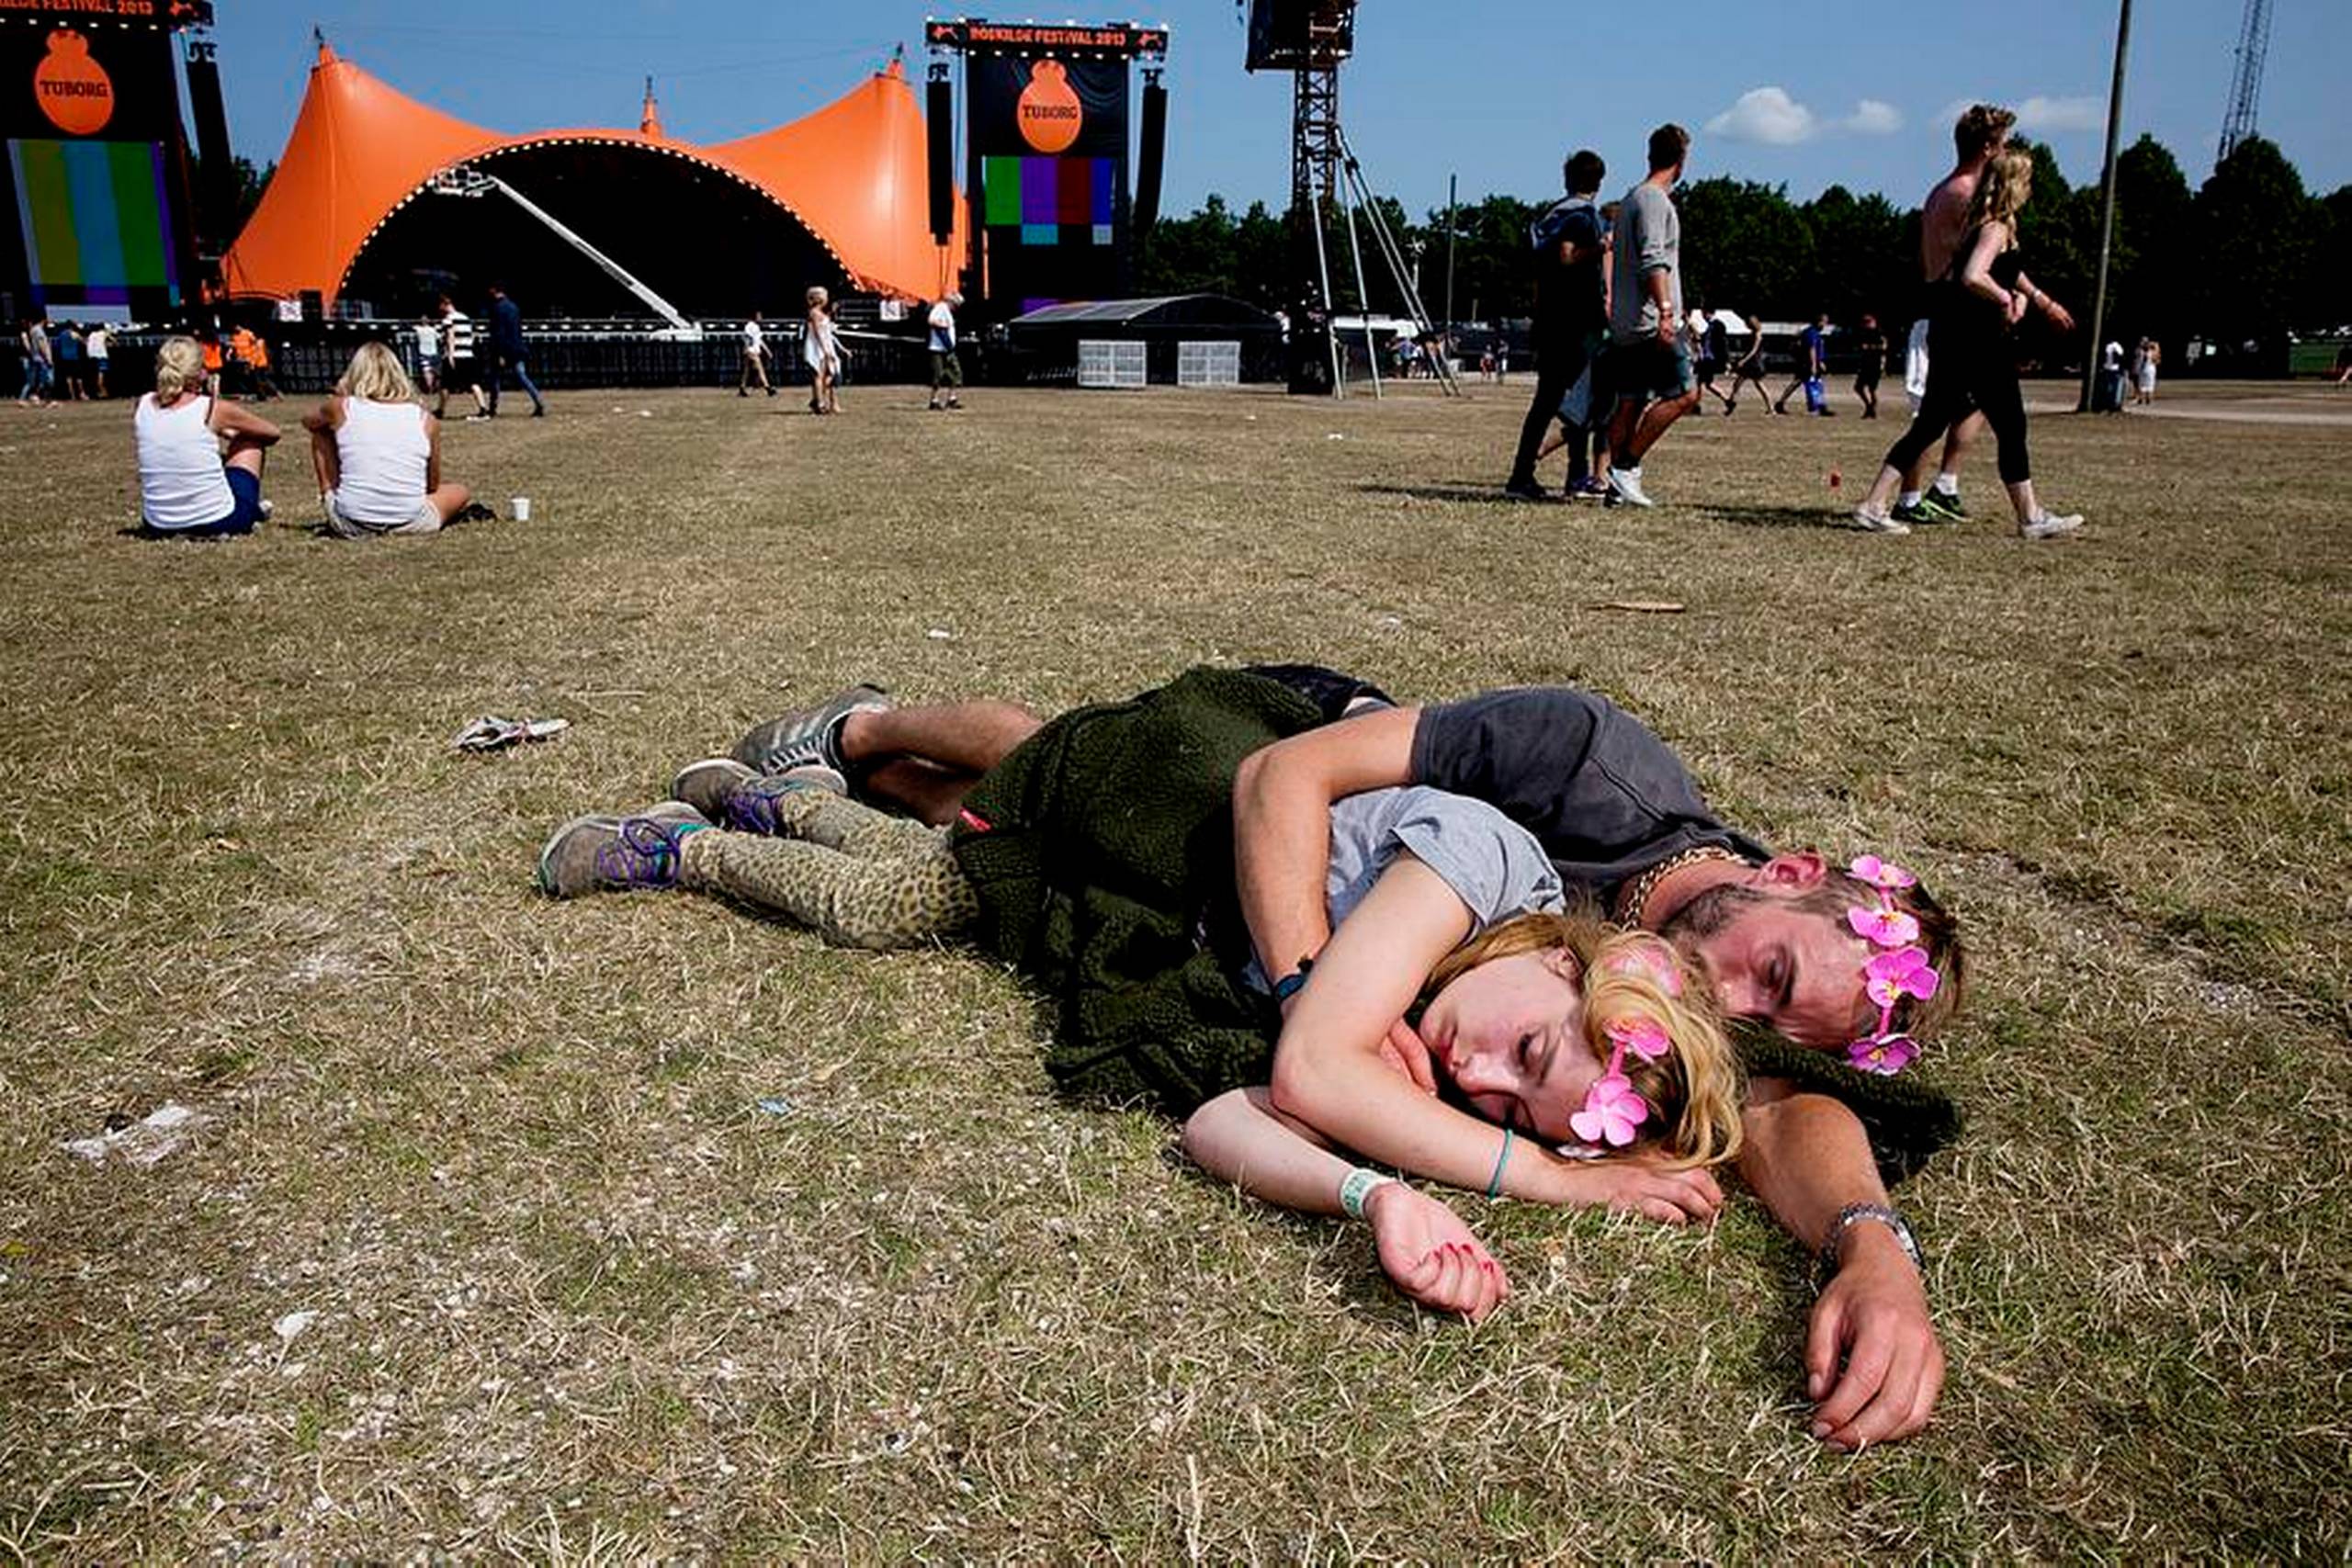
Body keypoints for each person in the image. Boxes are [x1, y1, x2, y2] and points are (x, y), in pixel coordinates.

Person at [725, 669, 1963, 1449]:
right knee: (1088, 766)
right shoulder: (1583, 765)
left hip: (1354, 914)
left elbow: (1779, 1114)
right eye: (1774, 969)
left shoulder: (1672, 1023)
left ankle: (890, 786)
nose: (1733, 999)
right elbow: (1284, 777)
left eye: (1774, 1020)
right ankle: (864, 722)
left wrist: (1872, 1248)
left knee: (994, 839)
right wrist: (1327, 997)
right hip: (1298, 768)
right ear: (1791, 875)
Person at [538, 667, 1750, 1325]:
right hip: (1153, 807)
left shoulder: (1451, 1057)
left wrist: (1373, 1191)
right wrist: (1542, 1171)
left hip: (1155, 917)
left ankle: (763, 806)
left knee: (934, 882)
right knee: (900, 899)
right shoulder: (1482, 866)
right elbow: (1308, 1070)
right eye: (1529, 1050)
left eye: (1523, 1110)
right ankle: (690, 838)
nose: (1487, 1082)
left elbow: (1222, 1118)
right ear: (1558, 962)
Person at [1852, 149, 2084, 541]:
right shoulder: (1994, 228)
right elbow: (1974, 277)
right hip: (1977, 343)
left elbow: (1993, 274)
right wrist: (2005, 298)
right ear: (2013, 184)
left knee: (1931, 424)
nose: (2030, 189)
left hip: (1956, 336)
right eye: (2027, 181)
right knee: (2010, 424)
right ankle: (2030, 517)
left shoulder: (1989, 224)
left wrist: (2025, 297)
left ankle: (1873, 505)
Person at [1893, 105, 2040, 526]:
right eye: (2005, 143)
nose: (2008, 150)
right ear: (1990, 146)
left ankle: (1943, 488)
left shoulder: (1951, 190)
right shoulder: (1967, 195)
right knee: (1931, 418)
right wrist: (2017, 296)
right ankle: (1905, 498)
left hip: (1956, 315)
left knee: (1967, 409)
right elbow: (1978, 268)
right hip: (1949, 315)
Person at [1601, 125, 1702, 508]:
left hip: (1626, 323)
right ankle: (1626, 467)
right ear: (1681, 161)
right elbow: (1653, 260)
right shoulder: (1654, 201)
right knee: (1684, 394)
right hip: (1649, 322)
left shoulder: (1630, 200)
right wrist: (1665, 312)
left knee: (1629, 401)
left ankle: (1617, 488)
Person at [1504, 150, 1611, 502]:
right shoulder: (1582, 218)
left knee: (1549, 401)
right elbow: (1568, 257)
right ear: (1598, 181)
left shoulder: (1549, 216)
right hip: (1578, 321)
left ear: (1567, 179)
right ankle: (1574, 475)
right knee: (1581, 400)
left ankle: (1526, 474)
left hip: (1550, 319)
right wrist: (1601, 249)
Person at [302, 341, 472, 537]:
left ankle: (330, 493)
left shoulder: (340, 407)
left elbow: (308, 421)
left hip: (350, 521)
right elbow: (432, 485)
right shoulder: (426, 419)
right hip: (412, 521)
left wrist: (339, 396)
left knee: (320, 431)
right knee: (460, 491)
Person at [131, 335, 280, 539]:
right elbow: (272, 433)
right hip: (217, 520)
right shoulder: (211, 408)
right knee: (250, 441)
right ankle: (250, 511)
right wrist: (231, 433)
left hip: (158, 523)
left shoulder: (143, 403)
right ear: (199, 372)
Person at [483, 285, 544, 418]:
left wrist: (500, 353)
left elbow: (499, 332)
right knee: (522, 377)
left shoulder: (496, 308)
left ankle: (493, 408)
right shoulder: (514, 307)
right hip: (517, 346)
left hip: (502, 348)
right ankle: (538, 401)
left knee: (495, 379)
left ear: (495, 291)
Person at [434, 295, 489, 423]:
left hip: (456, 355)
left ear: (444, 305)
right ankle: (483, 409)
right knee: (474, 383)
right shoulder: (466, 318)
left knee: (445, 385)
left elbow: (450, 336)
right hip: (468, 354)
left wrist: (450, 355)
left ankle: (440, 410)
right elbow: (473, 335)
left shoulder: (448, 319)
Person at [1774, 312, 1835, 416]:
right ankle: (1815, 406)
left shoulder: (1811, 332)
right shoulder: (1811, 333)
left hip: (1807, 363)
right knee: (1811, 384)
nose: (1825, 325)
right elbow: (1811, 350)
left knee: (1800, 383)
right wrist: (1814, 365)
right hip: (1807, 364)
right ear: (1819, 322)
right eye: (1824, 322)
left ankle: (1781, 403)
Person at [1717, 312, 1770, 412]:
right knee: (1737, 384)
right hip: (1749, 363)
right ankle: (1730, 404)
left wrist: (1743, 360)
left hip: (1754, 364)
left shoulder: (1758, 335)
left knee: (1759, 385)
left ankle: (1770, 408)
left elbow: (1753, 351)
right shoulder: (1752, 334)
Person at [804, 286, 843, 414]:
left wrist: (831, 312)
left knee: (829, 374)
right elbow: (817, 332)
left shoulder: (821, 313)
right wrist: (824, 349)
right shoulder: (814, 312)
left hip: (825, 345)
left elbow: (825, 327)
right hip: (817, 346)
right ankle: (820, 403)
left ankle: (817, 399)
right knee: (819, 375)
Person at [926, 292, 964, 411]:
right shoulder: (940, 308)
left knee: (956, 373)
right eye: (956, 305)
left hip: (948, 349)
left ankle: (952, 398)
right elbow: (931, 321)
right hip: (938, 348)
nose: (957, 308)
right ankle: (934, 400)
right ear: (951, 302)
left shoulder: (948, 311)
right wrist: (944, 325)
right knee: (938, 375)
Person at [1851, 314, 1886, 418]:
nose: (1866, 324)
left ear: (1873, 322)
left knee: (1872, 389)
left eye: (1868, 322)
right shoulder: (1863, 333)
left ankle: (1871, 409)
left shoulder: (1879, 333)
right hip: (1865, 365)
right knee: (1858, 388)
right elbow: (1859, 347)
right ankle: (1869, 406)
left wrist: (1883, 366)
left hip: (1875, 365)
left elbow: (1884, 348)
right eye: (1864, 322)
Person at [17, 318, 53, 406]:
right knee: (33, 381)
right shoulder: (27, 333)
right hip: (32, 359)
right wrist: (46, 357)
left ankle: (34, 397)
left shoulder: (31, 332)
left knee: (35, 381)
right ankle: (24, 399)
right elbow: (29, 347)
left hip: (33, 358)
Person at [738, 311, 775, 398]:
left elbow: (760, 340)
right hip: (751, 350)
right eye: (759, 316)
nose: (761, 318)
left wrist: (767, 351)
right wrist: (747, 349)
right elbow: (748, 338)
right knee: (760, 368)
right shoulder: (749, 326)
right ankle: (767, 387)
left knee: (747, 370)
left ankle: (742, 387)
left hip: (754, 350)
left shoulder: (757, 327)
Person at [51, 322, 85, 401]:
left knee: (68, 377)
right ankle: (82, 394)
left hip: (65, 358)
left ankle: (72, 395)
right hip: (74, 357)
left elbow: (56, 345)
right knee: (78, 377)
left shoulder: (61, 334)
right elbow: (83, 342)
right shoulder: (75, 334)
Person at [413, 315, 442, 397]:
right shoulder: (433, 330)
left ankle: (430, 388)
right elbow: (439, 338)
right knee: (433, 371)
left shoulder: (418, 329)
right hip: (433, 352)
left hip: (424, 353)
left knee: (427, 371)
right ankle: (433, 387)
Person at [2097, 339, 2127, 413]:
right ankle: (2107, 405)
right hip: (2108, 368)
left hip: (2113, 369)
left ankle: (2113, 405)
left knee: (2113, 388)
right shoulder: (2110, 346)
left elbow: (2120, 358)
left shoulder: (2115, 346)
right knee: (2107, 388)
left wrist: (2120, 369)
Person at [84, 322, 110, 400]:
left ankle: (102, 392)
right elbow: (112, 339)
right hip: (102, 356)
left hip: (92, 357)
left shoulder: (91, 335)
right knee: (101, 376)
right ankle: (104, 392)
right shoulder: (103, 333)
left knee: (96, 375)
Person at [2132, 338, 2160, 406]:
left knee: (2142, 384)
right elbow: (2157, 361)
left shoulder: (2142, 352)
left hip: (2144, 369)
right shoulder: (2152, 352)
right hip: (2151, 369)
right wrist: (2156, 347)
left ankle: (2141, 399)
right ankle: (2148, 399)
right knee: (2150, 384)